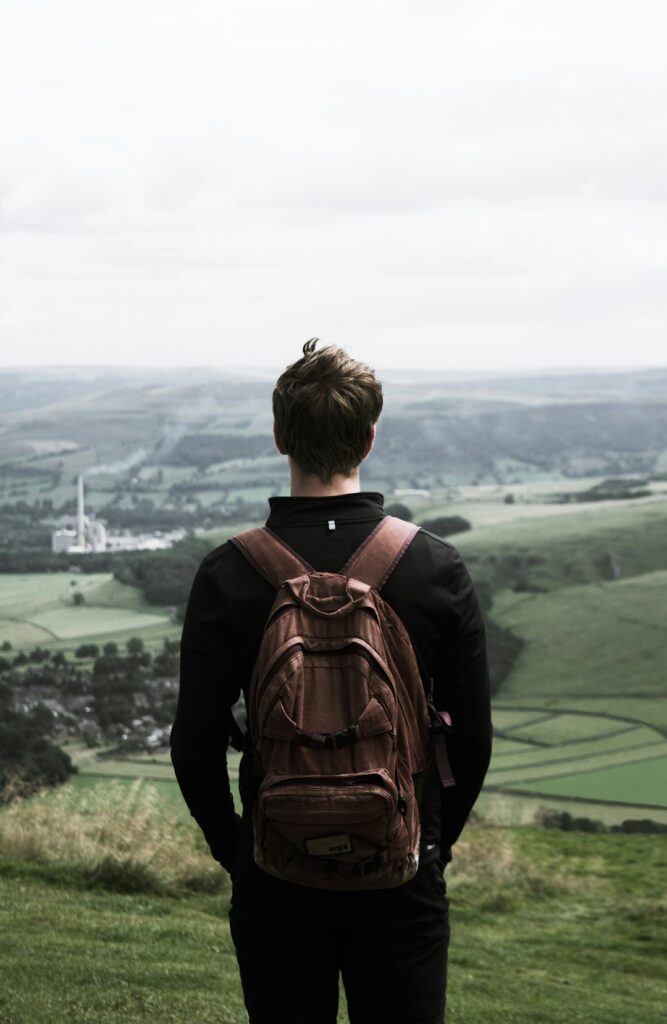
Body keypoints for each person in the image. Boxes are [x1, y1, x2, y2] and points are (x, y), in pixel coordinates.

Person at [171, 339, 492, 1024]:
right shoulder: (434, 567)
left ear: (279, 436)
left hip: (276, 872)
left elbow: (194, 746)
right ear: (370, 438)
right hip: (401, 872)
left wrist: (240, 851)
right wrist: (429, 845)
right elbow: (472, 742)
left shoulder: (228, 573)